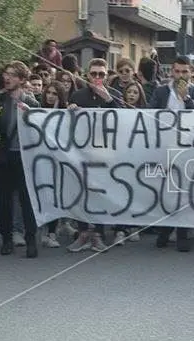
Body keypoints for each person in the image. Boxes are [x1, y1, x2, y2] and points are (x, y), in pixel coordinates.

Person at [147, 56, 194, 252]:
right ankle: (165, 229)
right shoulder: (161, 91)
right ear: (172, 72)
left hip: (188, 149)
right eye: (177, 71)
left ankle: (182, 233)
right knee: (168, 191)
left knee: (184, 191)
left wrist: (186, 99)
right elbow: (150, 115)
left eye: (184, 72)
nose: (181, 75)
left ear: (190, 73)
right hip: (165, 147)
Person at [65, 58, 122, 253]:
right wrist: (70, 111)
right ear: (87, 75)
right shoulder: (78, 95)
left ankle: (98, 234)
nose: (97, 78)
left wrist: (108, 100)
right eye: (94, 74)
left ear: (106, 76)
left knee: (100, 194)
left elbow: (124, 121)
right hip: (82, 153)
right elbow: (67, 126)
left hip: (105, 154)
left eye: (101, 74)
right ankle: (82, 233)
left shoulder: (114, 95)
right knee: (81, 193)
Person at [0, 61, 42, 258]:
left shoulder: (33, 102)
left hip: (25, 157)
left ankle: (30, 240)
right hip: (4, 156)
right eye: (6, 74)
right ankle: (7, 239)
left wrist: (30, 114)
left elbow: (40, 129)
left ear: (22, 79)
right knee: (4, 201)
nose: (7, 77)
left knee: (26, 201)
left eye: (12, 75)